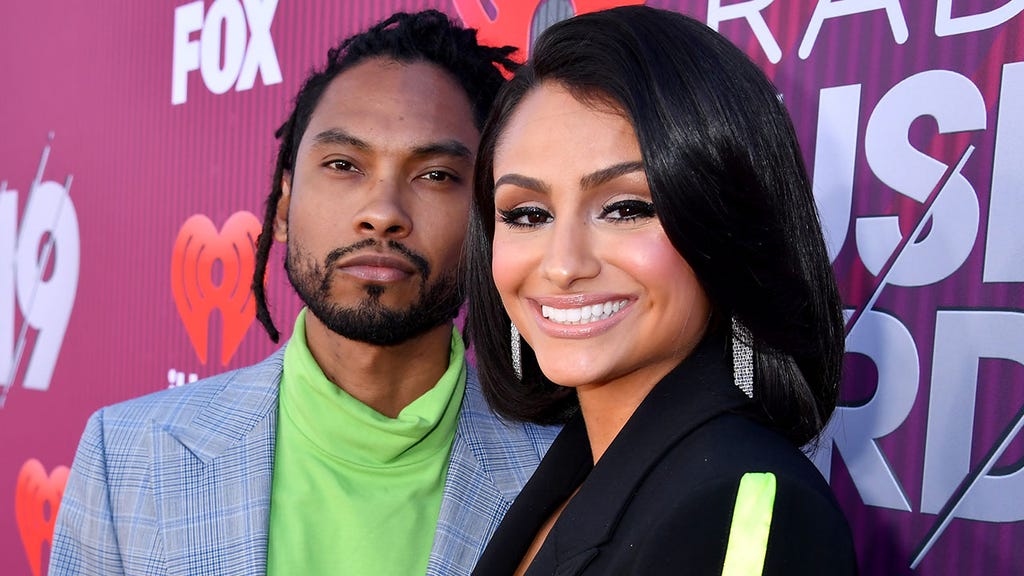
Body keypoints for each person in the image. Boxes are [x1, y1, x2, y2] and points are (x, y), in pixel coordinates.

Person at [49, 10, 557, 576]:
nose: (382, 214)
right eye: (344, 165)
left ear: (488, 215)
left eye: (435, 174)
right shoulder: (127, 458)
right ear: (285, 206)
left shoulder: (566, 470)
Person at [465, 6, 857, 575]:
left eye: (626, 208)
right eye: (527, 214)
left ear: (727, 229)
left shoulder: (744, 517)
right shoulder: (574, 466)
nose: (564, 265)